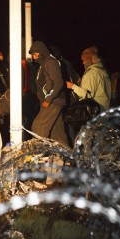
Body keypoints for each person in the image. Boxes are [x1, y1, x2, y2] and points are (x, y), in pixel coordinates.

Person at [29, 41, 69, 186]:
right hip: (51, 101)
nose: (33, 58)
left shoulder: (50, 62)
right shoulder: (44, 63)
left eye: (34, 54)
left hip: (53, 102)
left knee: (38, 128)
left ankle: (36, 170)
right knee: (57, 136)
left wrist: (48, 98)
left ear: (41, 52)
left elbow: (58, 83)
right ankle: (57, 173)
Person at [66, 46, 111, 112]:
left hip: (94, 113)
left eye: (84, 60)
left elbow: (87, 96)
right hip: (104, 111)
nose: (83, 63)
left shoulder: (91, 72)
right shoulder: (102, 71)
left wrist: (73, 86)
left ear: (93, 59)